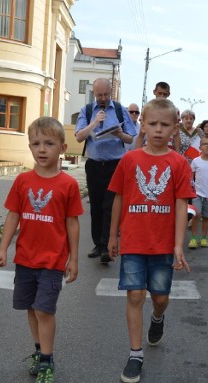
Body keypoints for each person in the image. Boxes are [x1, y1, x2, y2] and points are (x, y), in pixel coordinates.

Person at [107, 98, 196, 383]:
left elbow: (182, 204)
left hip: (162, 244)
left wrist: (179, 244)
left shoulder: (179, 163)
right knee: (135, 295)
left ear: (175, 128)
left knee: (160, 297)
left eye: (165, 125)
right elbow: (119, 198)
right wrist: (112, 236)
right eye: (152, 124)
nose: (158, 130)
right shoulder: (129, 160)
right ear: (142, 125)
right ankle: (135, 355)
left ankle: (157, 318)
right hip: (133, 241)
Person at [0, 117, 83, 383]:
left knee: (44, 310)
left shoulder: (68, 184)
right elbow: (13, 215)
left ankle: (47, 360)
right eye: (36, 143)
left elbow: (72, 223)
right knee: (30, 308)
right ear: (30, 147)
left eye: (49, 143)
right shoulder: (22, 181)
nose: (42, 149)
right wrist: (2, 248)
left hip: (53, 261)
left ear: (62, 148)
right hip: (25, 260)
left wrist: (74, 258)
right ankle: (38, 349)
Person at [75, 78, 137, 264]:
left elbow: (130, 139)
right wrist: (94, 123)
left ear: (111, 92)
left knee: (110, 206)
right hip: (94, 165)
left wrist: (119, 133)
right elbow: (79, 137)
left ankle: (105, 245)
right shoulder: (87, 111)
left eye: (106, 95)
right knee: (95, 206)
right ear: (94, 93)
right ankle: (98, 244)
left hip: (115, 165)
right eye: (99, 95)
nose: (103, 98)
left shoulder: (120, 110)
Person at [134, 82, 180, 150]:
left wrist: (178, 153)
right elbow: (141, 134)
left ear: (168, 94)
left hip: (168, 150)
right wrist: (136, 154)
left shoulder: (174, 110)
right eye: (159, 93)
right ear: (154, 92)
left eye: (164, 94)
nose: (162, 96)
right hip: (149, 149)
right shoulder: (146, 109)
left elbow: (176, 135)